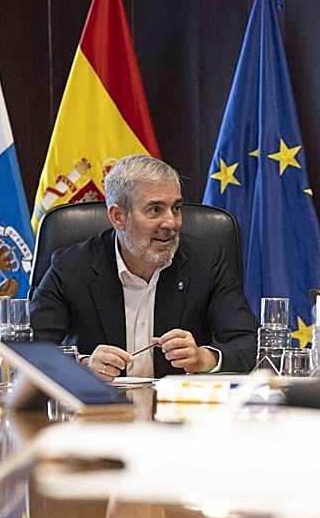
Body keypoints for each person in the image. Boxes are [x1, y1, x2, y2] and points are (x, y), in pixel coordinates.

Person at [30, 154, 257, 380]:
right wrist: (83, 365)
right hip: (98, 409)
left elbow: (250, 345)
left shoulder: (206, 261)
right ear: (118, 216)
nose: (171, 223)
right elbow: (29, 349)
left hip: (179, 410)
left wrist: (203, 358)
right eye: (155, 210)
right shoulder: (72, 266)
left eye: (176, 208)